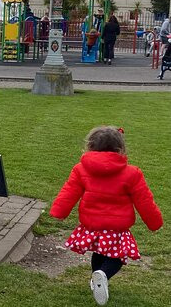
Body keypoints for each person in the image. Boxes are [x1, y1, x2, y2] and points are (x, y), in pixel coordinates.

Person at [50, 126, 163, 306]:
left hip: (92, 224)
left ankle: (97, 280)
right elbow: (144, 201)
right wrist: (154, 223)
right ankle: (102, 276)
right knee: (117, 257)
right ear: (120, 149)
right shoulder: (132, 173)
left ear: (91, 146)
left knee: (99, 252)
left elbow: (68, 192)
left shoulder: (80, 169)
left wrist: (58, 212)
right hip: (117, 227)